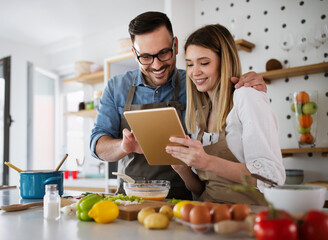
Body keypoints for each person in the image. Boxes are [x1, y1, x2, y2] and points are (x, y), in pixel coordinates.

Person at [90, 11, 266, 200]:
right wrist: (124, 147)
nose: (157, 65)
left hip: (183, 199)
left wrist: (248, 85)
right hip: (130, 199)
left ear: (175, 45)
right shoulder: (117, 87)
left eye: (163, 53)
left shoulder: (196, 82)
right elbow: (98, 146)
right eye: (146, 57)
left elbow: (226, 91)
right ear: (134, 53)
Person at [165, 24, 285, 204]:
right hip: (208, 214)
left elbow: (272, 177)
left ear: (225, 62)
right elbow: (204, 189)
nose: (194, 72)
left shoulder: (246, 97)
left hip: (249, 216)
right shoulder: (200, 115)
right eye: (190, 64)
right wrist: (182, 169)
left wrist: (207, 162)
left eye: (204, 63)